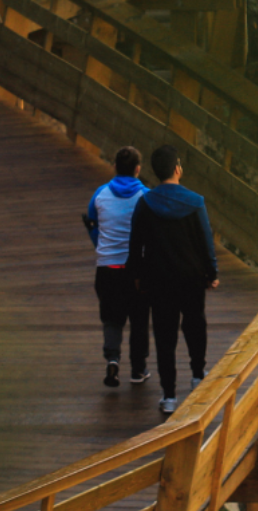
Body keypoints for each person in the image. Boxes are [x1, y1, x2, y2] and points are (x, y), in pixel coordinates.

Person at [128, 144, 218, 414]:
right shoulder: (195, 202)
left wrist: (136, 276)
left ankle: (168, 395)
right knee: (195, 326)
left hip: (159, 280)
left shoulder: (145, 204)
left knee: (165, 337)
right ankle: (198, 375)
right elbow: (206, 240)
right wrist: (211, 272)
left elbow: (136, 245)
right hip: (191, 278)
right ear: (178, 169)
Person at [87, 146, 152, 388]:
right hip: (137, 270)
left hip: (107, 267)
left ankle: (112, 359)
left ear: (114, 167)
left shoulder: (100, 194)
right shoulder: (146, 196)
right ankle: (138, 369)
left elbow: (93, 224)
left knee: (112, 319)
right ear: (137, 169)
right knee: (139, 319)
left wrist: (99, 244)